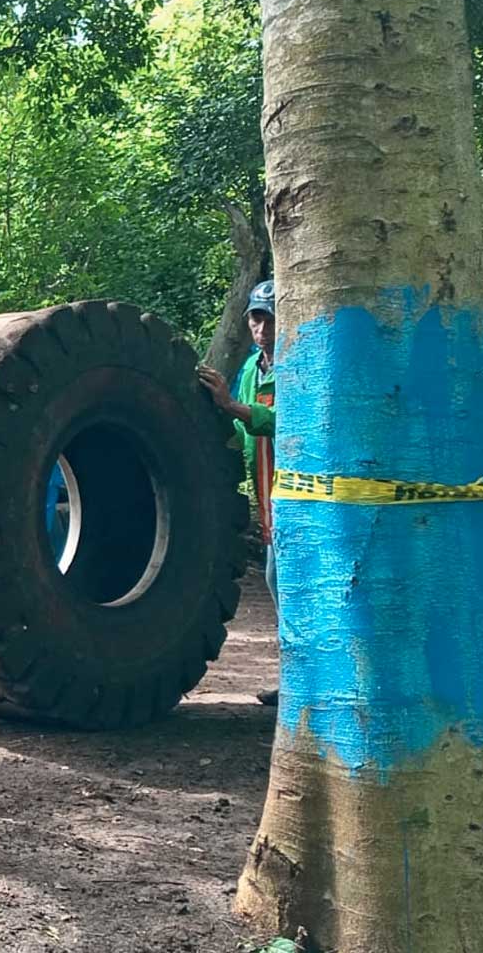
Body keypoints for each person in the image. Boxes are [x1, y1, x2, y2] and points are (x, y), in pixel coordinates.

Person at [197, 278, 277, 706]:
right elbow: (242, 426)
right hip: (264, 490)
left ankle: (302, 684)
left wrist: (233, 408)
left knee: (286, 581)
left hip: (295, 492)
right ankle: (294, 680)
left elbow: (286, 420)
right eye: (256, 318)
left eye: (270, 319)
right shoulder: (251, 368)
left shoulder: (298, 365)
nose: (262, 328)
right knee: (277, 579)